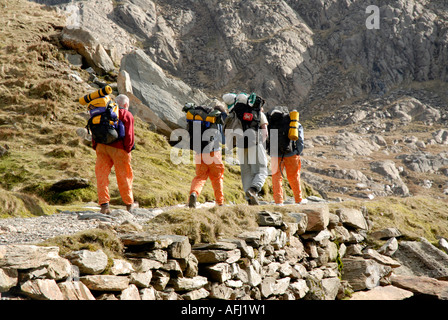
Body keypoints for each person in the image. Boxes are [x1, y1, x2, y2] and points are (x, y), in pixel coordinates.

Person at [93, 94, 137, 214]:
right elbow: (129, 136)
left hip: (102, 147)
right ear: (126, 104)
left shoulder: (103, 112)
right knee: (124, 176)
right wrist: (127, 150)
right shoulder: (126, 114)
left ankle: (104, 205)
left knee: (101, 175)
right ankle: (129, 205)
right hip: (119, 149)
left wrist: (96, 146)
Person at [224, 92, 269, 205]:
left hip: (240, 145)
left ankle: (249, 199)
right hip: (255, 143)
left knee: (246, 172)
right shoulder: (258, 114)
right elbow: (265, 134)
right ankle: (253, 190)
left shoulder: (235, 113)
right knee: (262, 170)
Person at [188, 102, 226, 208]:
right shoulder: (216, 120)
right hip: (213, 152)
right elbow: (223, 140)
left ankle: (194, 193)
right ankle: (220, 202)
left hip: (199, 152)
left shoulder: (200, 118)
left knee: (200, 177)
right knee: (217, 177)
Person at [269, 109, 306, 206]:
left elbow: (266, 138)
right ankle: (298, 200)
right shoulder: (293, 122)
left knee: (276, 177)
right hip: (291, 153)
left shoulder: (271, 122)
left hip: (275, 154)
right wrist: (297, 151)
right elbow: (300, 139)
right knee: (294, 176)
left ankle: (278, 202)